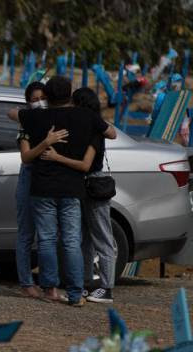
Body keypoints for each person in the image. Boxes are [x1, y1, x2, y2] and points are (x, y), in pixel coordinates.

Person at [18, 76, 116, 306]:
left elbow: (13, 114)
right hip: (72, 189)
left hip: (42, 189)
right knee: (72, 241)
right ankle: (75, 293)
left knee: (47, 240)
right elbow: (111, 133)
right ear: (69, 96)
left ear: (48, 97)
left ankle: (50, 288)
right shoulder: (86, 117)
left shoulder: (34, 117)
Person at [7, 82, 57, 298]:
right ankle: (27, 283)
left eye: (42, 98)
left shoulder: (57, 118)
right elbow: (26, 156)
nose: (40, 103)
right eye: (35, 100)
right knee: (27, 234)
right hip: (30, 177)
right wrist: (45, 144)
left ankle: (49, 285)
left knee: (48, 236)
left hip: (51, 179)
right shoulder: (27, 124)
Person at [72, 87, 117, 303]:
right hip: (85, 185)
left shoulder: (94, 127)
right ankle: (86, 282)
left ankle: (107, 287)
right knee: (86, 239)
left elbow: (112, 133)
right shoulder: (89, 125)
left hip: (94, 184)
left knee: (102, 238)